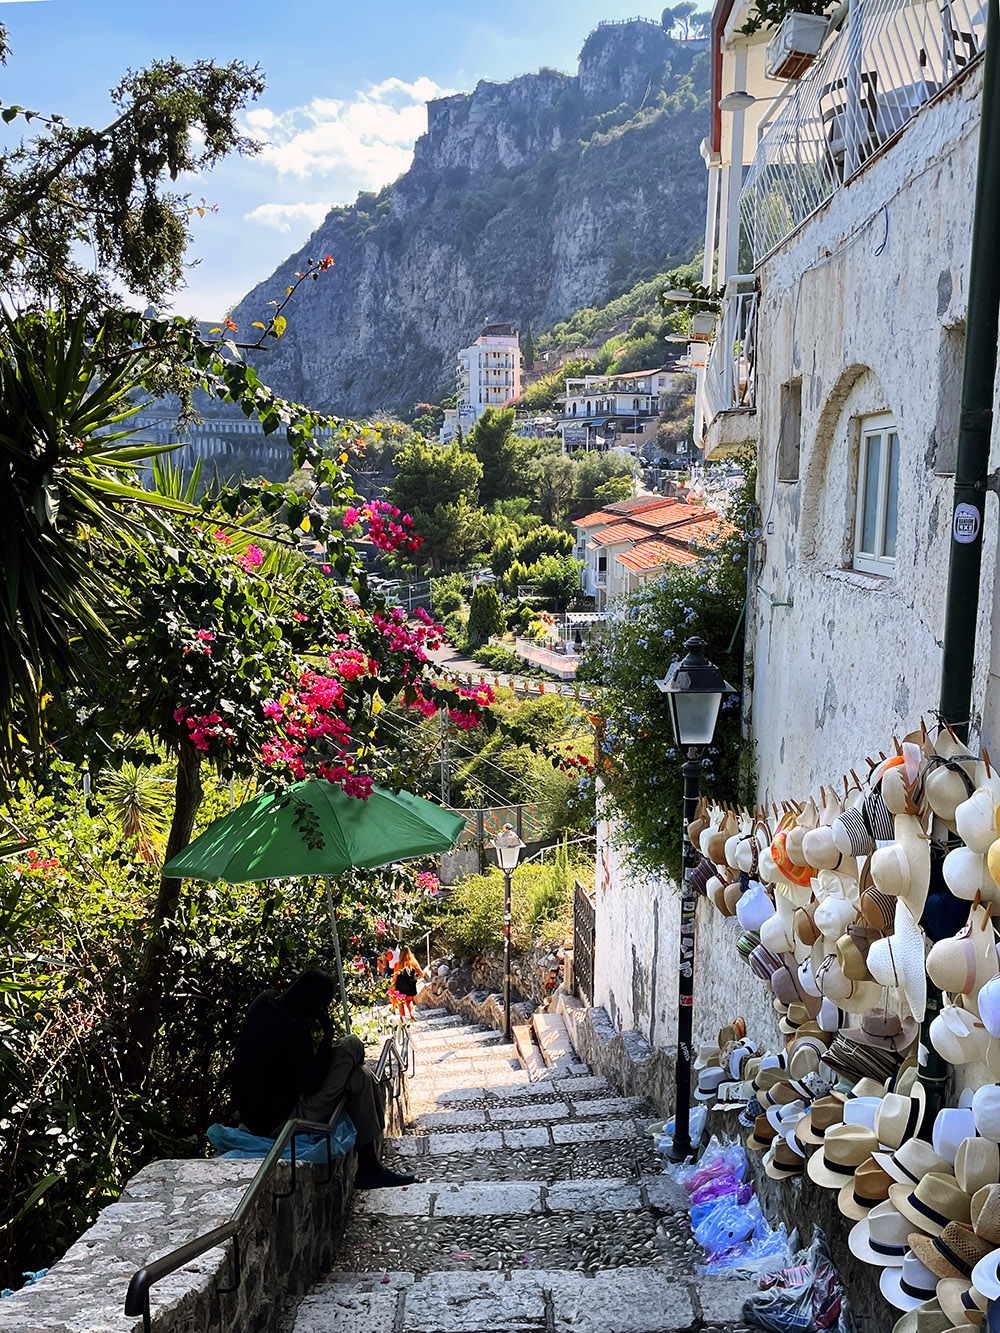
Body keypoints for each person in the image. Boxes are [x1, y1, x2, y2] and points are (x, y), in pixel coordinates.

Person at [232, 969, 416, 1190]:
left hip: (258, 1113)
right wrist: (327, 1034)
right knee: (352, 1048)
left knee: (360, 1075)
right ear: (310, 1002)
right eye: (321, 1007)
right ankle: (370, 1168)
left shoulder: (264, 1001)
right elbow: (311, 1085)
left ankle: (370, 1168)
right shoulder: (292, 1028)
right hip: (283, 1119)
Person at [391, 946, 425, 1021]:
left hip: (400, 986)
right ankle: (412, 1015)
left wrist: (392, 986)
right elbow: (421, 973)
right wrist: (415, 976)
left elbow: (395, 977)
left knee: (401, 1003)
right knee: (409, 1002)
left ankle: (402, 1018)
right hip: (410, 986)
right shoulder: (413, 963)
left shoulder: (397, 965)